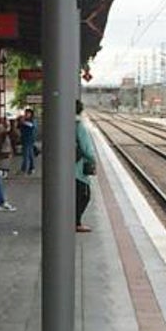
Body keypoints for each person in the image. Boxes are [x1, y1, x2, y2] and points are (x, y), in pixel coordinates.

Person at [75, 99, 97, 232]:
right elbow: (87, 149)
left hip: (64, 166)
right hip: (77, 167)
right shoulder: (79, 125)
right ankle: (76, 222)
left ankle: (73, 221)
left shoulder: (64, 123)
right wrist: (94, 160)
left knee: (75, 195)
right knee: (84, 195)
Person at [17, 108, 37, 174]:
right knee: (30, 154)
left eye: (27, 113)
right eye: (25, 113)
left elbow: (31, 125)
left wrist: (23, 121)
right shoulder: (24, 120)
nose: (26, 114)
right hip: (25, 139)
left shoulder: (32, 121)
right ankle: (32, 167)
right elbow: (19, 127)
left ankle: (24, 169)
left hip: (29, 139)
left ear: (31, 114)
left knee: (25, 154)